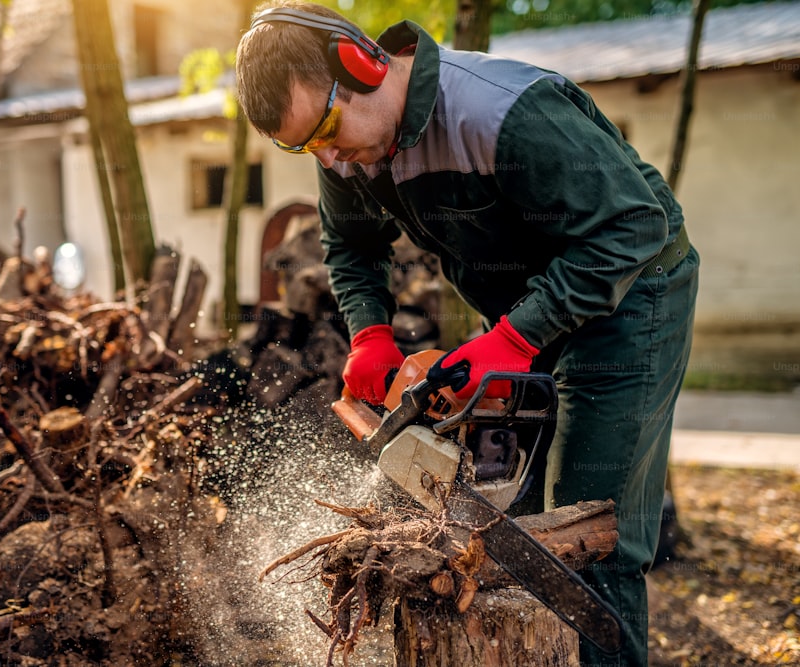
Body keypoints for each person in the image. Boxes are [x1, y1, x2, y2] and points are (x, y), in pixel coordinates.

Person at [235, 2, 699, 665]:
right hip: (526, 312)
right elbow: (349, 247)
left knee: (588, 528)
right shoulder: (345, 146)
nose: (330, 157)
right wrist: (370, 333)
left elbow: (633, 226)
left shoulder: (501, 111)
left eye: (328, 129)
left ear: (361, 64)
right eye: (308, 145)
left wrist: (513, 340)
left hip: (630, 294)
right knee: (514, 528)